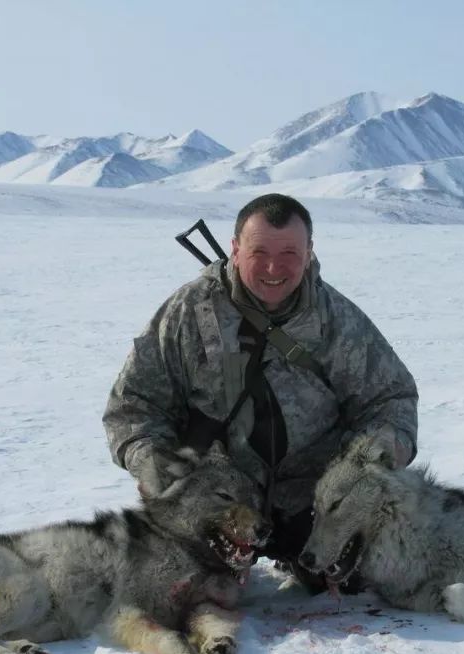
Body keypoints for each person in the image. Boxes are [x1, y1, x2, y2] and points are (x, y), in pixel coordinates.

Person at [103, 193, 418, 588]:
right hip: (216, 507)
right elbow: (133, 406)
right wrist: (153, 462)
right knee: (173, 593)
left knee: (360, 579)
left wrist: (377, 454)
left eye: (289, 251)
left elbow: (391, 400)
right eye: (259, 251)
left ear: (309, 252)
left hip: (311, 505)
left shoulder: (337, 322)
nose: (274, 267)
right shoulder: (190, 313)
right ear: (235, 249)